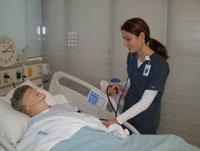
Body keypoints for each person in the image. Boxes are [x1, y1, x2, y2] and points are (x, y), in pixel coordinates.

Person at [103, 17, 170, 134]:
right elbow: (131, 81)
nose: (125, 44)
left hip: (145, 120)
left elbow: (145, 103)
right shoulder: (131, 57)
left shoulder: (159, 65)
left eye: (128, 39)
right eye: (123, 39)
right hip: (128, 114)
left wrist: (117, 120)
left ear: (142, 36)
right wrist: (120, 87)